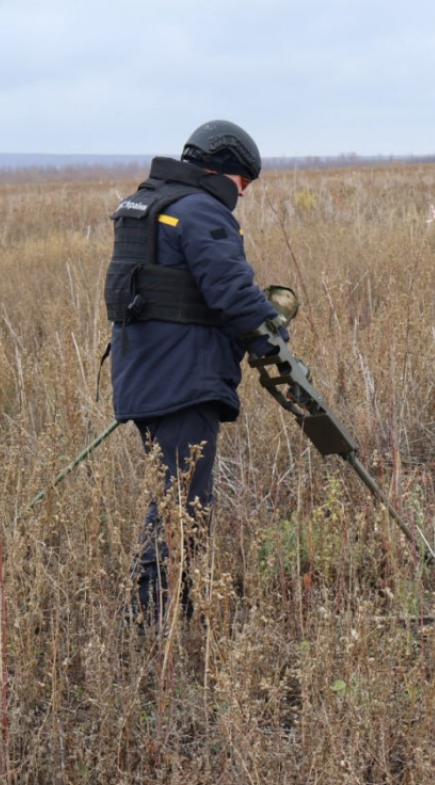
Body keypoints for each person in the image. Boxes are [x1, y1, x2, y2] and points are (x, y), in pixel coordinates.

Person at [104, 120, 284, 624]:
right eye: (242, 184)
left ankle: (170, 607)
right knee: (183, 505)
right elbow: (229, 288)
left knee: (174, 495)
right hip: (184, 380)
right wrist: (271, 336)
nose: (241, 195)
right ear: (222, 170)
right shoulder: (201, 210)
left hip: (143, 375)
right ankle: (149, 619)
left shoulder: (147, 206)